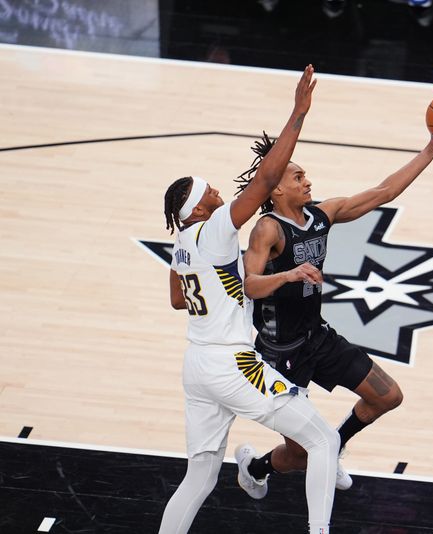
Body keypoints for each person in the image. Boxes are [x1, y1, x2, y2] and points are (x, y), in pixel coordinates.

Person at [158, 65, 339, 534]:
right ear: (198, 206)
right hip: (230, 361)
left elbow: (179, 300)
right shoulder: (215, 228)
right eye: (211, 191)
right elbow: (264, 181)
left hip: (196, 364)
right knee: (322, 440)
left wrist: (225, 281)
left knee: (198, 477)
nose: (219, 191)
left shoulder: (180, 244)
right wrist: (298, 114)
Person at [231, 127, 433, 491]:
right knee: (299, 456)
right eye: (298, 176)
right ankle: (255, 469)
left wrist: (432, 148)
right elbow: (248, 285)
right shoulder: (267, 231)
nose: (307, 181)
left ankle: (335, 446)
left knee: (388, 396)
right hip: (279, 355)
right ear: (278, 188)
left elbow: (384, 192)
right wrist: (288, 275)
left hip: (316, 337)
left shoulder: (321, 215)